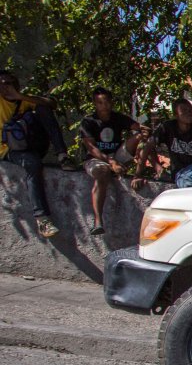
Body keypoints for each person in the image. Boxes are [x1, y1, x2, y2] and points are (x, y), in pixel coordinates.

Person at [0, 69, 72, 238]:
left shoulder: (24, 99)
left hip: (30, 143)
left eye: (9, 83)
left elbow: (51, 104)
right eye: (2, 84)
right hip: (8, 149)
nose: (5, 87)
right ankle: (42, 219)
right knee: (32, 163)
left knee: (43, 109)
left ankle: (62, 155)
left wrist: (20, 97)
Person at [80, 86, 144, 235]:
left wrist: (143, 133)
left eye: (107, 102)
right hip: (96, 158)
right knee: (102, 173)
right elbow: (92, 149)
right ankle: (98, 221)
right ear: (95, 104)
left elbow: (138, 128)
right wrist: (111, 162)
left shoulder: (118, 117)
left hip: (117, 155)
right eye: (100, 103)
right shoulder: (88, 121)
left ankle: (139, 172)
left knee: (141, 137)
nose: (105, 106)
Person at [132, 98, 192, 190]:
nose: (189, 113)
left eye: (191, 110)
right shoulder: (168, 127)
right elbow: (147, 146)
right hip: (182, 173)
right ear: (176, 115)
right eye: (184, 110)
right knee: (186, 183)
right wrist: (138, 175)